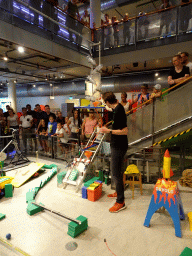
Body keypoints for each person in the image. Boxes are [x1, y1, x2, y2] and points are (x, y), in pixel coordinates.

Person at [100, 92, 128, 213]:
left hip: (119, 146)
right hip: (116, 144)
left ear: (107, 102)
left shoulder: (119, 110)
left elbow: (124, 131)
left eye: (104, 102)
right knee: (116, 171)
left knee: (116, 173)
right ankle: (118, 192)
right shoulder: (116, 108)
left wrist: (108, 131)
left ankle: (121, 202)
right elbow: (111, 111)